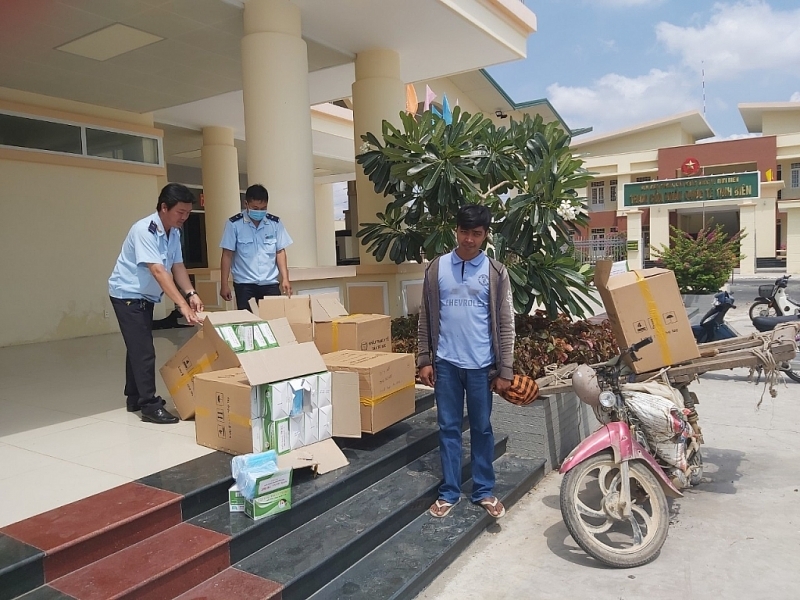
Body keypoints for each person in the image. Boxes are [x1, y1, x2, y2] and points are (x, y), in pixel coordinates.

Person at [417, 204, 515, 519]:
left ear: (485, 234)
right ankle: (449, 492)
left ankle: (484, 490)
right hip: (445, 363)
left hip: (481, 367)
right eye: (464, 232)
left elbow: (506, 323)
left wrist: (506, 369)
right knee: (447, 428)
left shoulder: (496, 272)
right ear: (455, 231)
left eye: (476, 233)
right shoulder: (436, 268)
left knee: (482, 428)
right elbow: (425, 318)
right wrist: (424, 358)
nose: (469, 239)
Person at [108, 183, 204, 424]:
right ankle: (149, 405)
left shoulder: (174, 231)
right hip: (127, 295)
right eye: (180, 212)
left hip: (145, 296)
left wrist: (191, 293)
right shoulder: (144, 230)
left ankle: (134, 397)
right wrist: (181, 305)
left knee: (137, 346)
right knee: (144, 350)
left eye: (187, 213)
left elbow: (177, 266)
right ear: (164, 207)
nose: (184, 217)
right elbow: (158, 271)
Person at [219, 184, 293, 310]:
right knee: (249, 325)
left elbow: (280, 252)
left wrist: (285, 278)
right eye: (255, 208)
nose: (259, 212)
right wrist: (224, 284)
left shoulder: (275, 223)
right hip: (245, 285)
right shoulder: (234, 224)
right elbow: (227, 255)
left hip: (270, 284)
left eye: (263, 208)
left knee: (274, 322)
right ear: (246, 204)